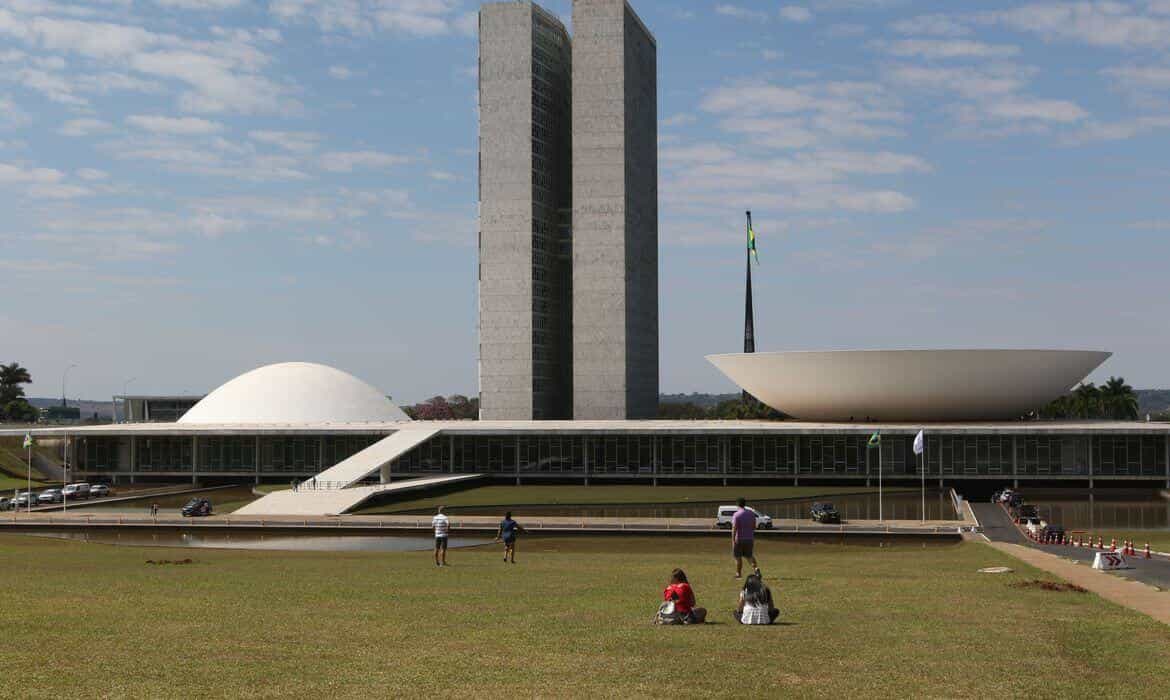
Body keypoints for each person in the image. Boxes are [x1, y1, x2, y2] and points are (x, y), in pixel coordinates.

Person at [732, 497, 760, 578]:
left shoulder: (736, 514)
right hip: (749, 538)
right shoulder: (751, 513)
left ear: (737, 504)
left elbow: (734, 528)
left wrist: (733, 540)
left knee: (738, 557)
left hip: (739, 539)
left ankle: (738, 574)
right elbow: (754, 527)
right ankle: (756, 569)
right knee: (749, 556)